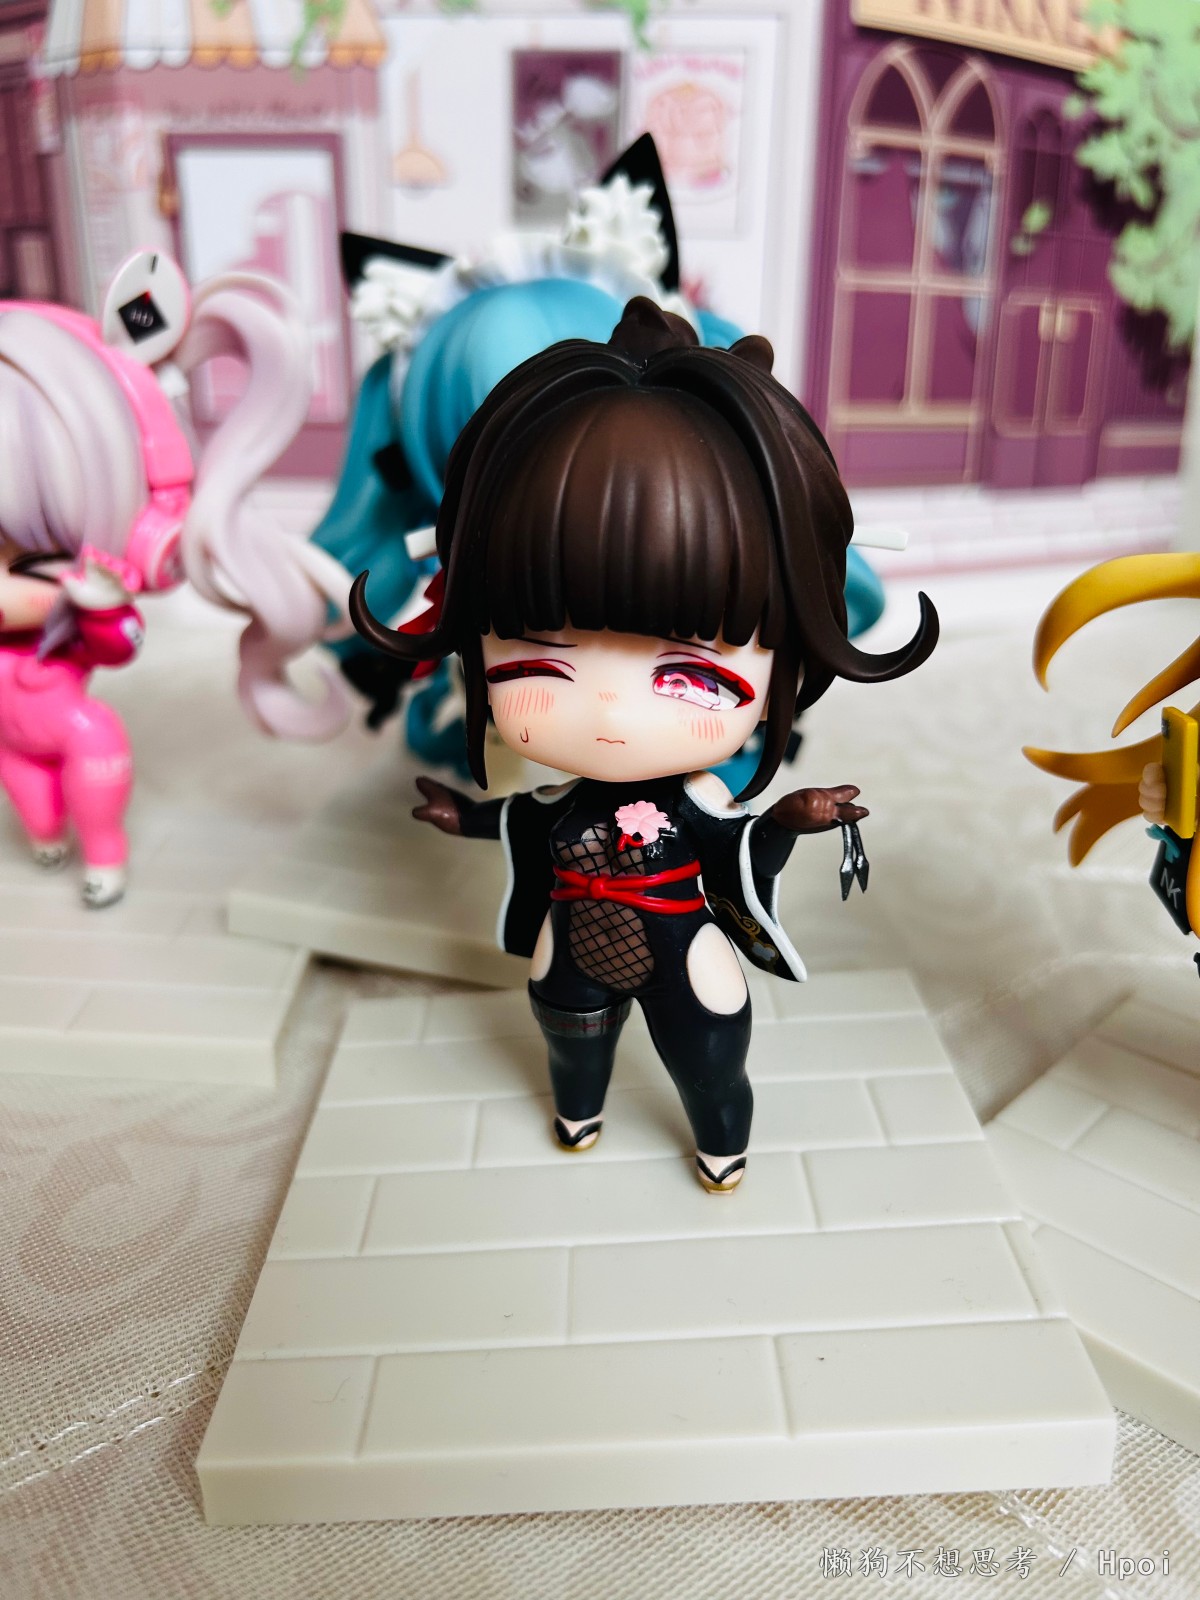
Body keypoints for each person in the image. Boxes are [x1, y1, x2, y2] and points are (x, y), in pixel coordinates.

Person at [349, 298, 938, 1191]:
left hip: (681, 951)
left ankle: (721, 1144)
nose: (608, 711)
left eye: (689, 675)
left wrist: (789, 818)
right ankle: (578, 1110)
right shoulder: (560, 798)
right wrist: (464, 816)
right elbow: (520, 822)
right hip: (572, 946)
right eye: (539, 662)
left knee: (708, 1064)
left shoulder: (696, 801)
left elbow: (741, 844)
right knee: (569, 1045)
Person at [0, 252, 353, 905]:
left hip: (72, 727)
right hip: (11, 747)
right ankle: (48, 838)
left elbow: (116, 646)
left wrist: (102, 609)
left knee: (94, 769)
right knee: (33, 804)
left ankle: (104, 855)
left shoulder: (69, 618)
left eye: (24, 562)